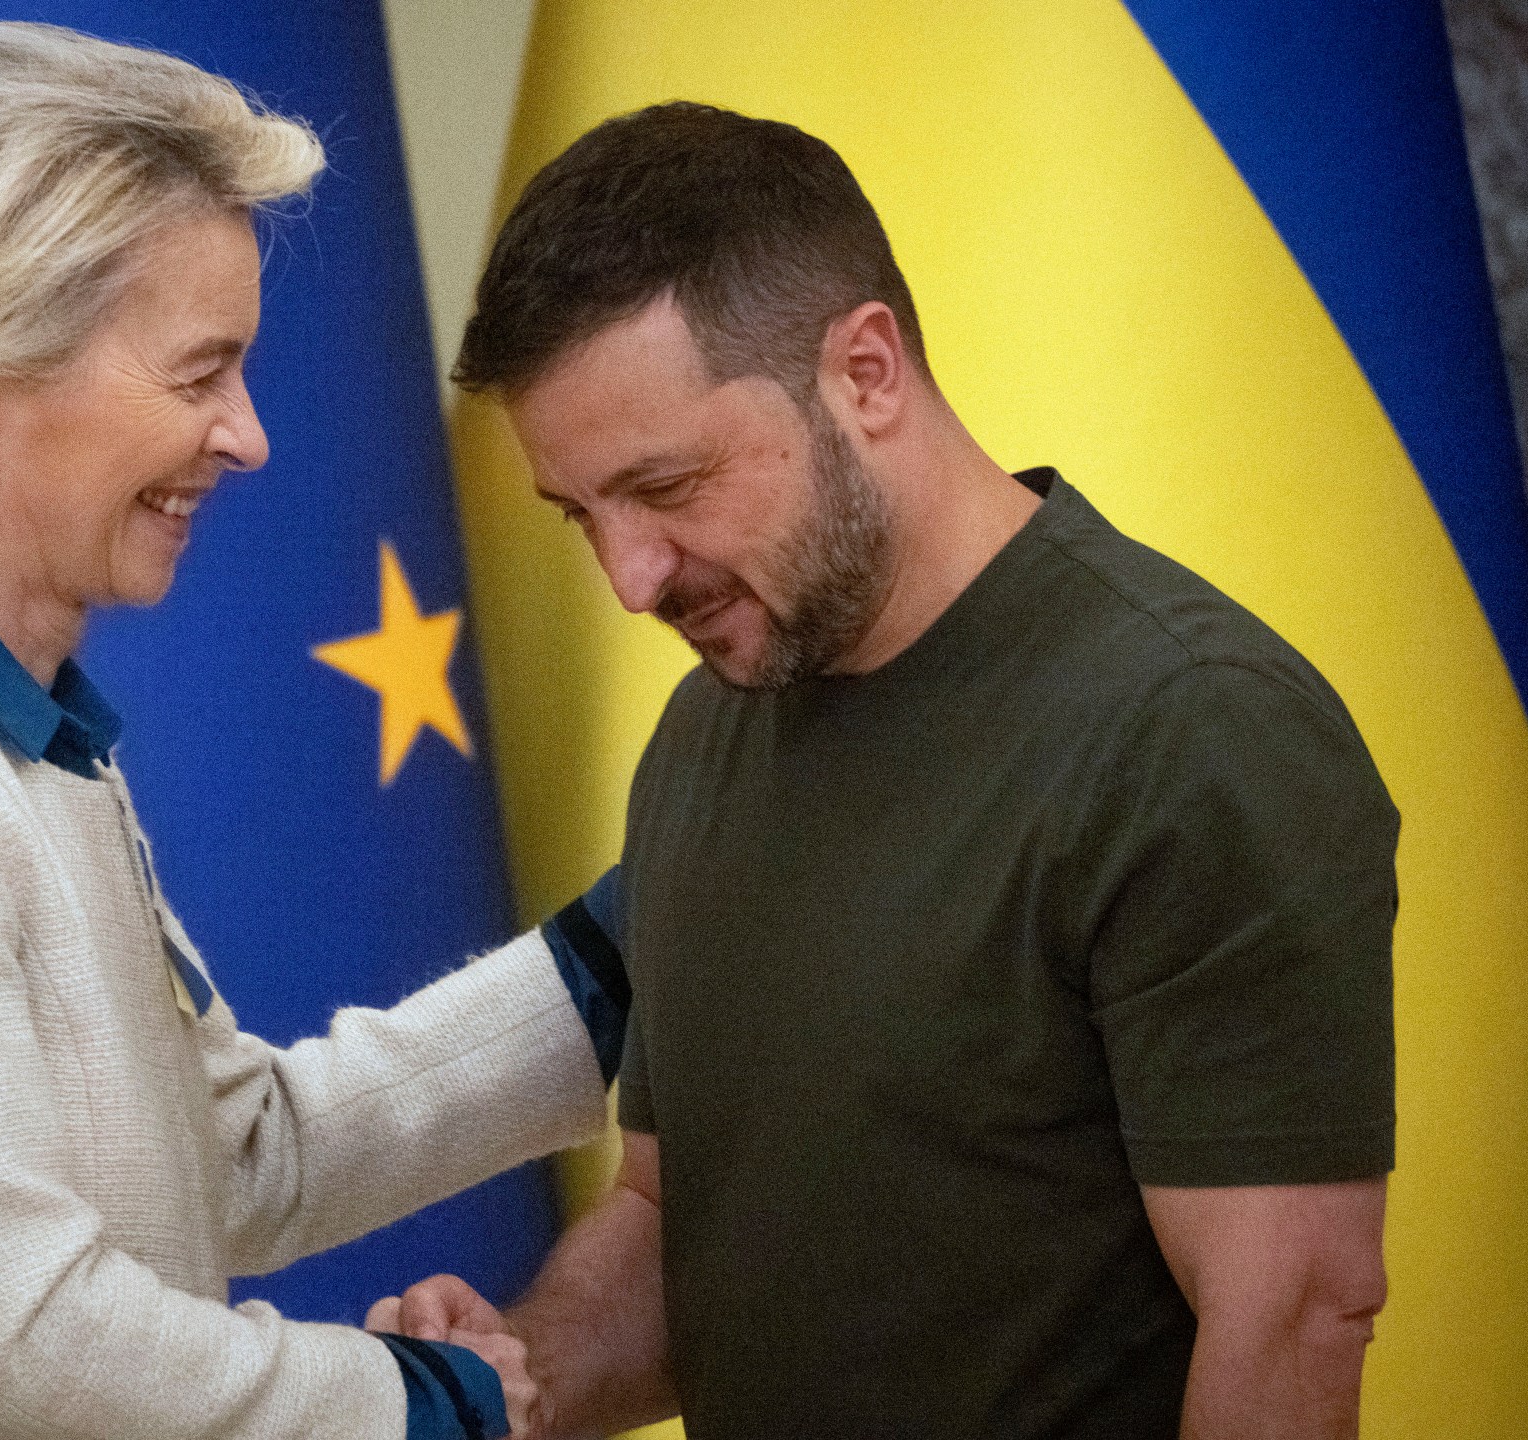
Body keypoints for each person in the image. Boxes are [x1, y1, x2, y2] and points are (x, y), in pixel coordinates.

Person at [369, 102, 1398, 1438]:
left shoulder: (1189, 730)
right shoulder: (705, 735)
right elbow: (675, 1228)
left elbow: (1295, 1316)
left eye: (668, 487)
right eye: (583, 517)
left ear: (865, 371)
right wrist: (511, 1379)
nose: (630, 579)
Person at [0, 24, 627, 1440]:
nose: (248, 438)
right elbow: (24, 1339)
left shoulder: (12, 743)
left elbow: (238, 1154)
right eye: (198, 374)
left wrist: (618, 967)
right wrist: (417, 1408)